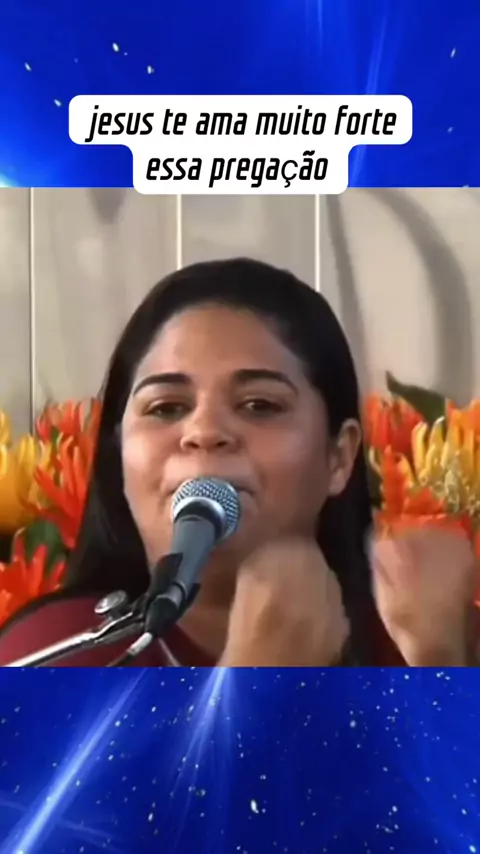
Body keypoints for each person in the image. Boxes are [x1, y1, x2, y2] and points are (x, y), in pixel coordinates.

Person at [0, 258, 476, 667]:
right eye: (166, 408)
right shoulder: (55, 651)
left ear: (339, 456)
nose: (205, 431)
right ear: (118, 453)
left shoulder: (422, 635)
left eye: (259, 405)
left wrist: (440, 663)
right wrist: (255, 687)